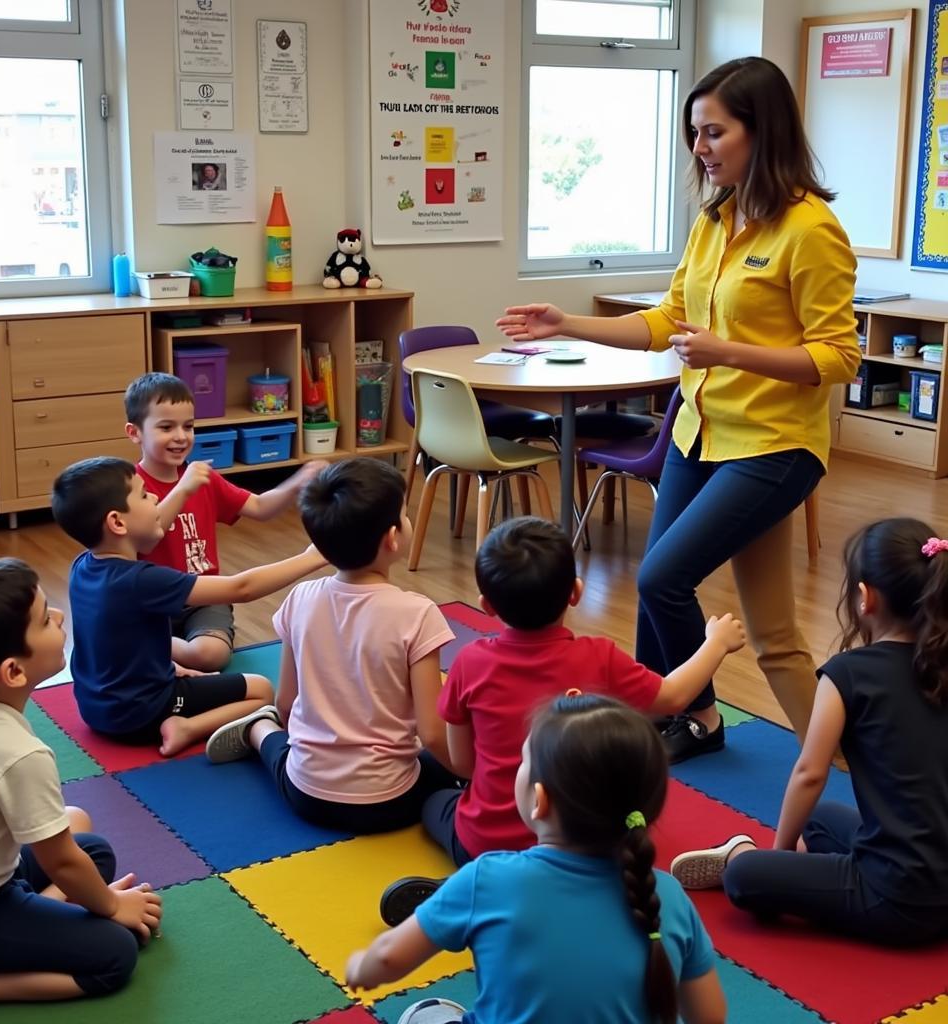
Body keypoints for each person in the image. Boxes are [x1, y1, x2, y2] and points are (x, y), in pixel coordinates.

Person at [497, 56, 860, 763]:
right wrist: (564, 322)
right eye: (694, 132)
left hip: (773, 445)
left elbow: (838, 358)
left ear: (763, 133)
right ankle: (832, 758)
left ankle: (693, 713)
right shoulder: (715, 220)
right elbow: (666, 322)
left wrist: (730, 352)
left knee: (664, 579)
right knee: (776, 635)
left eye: (714, 132)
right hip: (700, 432)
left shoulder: (810, 230)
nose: (700, 147)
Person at [379, 516, 744, 922]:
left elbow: (464, 765)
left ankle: (481, 888)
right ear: (576, 593)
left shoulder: (471, 663)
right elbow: (674, 695)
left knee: (435, 799)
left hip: (487, 841)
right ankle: (542, 887)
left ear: (486, 605)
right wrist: (716, 645)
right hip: (584, 845)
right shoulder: (599, 657)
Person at [346, 694, 727, 1024]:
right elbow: (709, 1016)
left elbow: (390, 957)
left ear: (539, 799)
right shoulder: (669, 896)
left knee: (421, 1014)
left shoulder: (489, 879)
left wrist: (360, 968)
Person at [670, 518, 948, 947]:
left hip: (897, 899)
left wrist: (776, 854)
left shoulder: (847, 675)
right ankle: (804, 869)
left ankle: (752, 858)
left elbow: (810, 774)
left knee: (746, 878)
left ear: (864, 597)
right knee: (823, 818)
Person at [0, 558, 162, 1017]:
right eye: (44, 617)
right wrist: (113, 906)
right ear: (13, 671)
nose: (58, 617)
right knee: (116, 952)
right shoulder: (16, 752)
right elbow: (61, 862)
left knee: (93, 849)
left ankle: (30, 916)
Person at [203, 458, 462, 835]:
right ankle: (260, 733)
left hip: (305, 794)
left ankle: (257, 731)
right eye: (404, 516)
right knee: (455, 774)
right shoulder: (418, 614)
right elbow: (434, 734)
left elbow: (287, 703)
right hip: (389, 802)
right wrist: (468, 773)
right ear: (392, 538)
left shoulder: (300, 598)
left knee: (280, 751)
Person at [50, 456, 326, 757]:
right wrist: (313, 557)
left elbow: (113, 644)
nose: (156, 497)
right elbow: (240, 588)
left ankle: (174, 691)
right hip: (140, 713)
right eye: (144, 495)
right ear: (117, 522)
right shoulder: (140, 580)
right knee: (261, 690)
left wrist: (172, 667)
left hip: (94, 709)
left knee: (203, 674)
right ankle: (186, 728)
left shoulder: (83, 567)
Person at [125, 372, 325, 671]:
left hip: (204, 596)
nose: (181, 436)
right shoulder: (132, 487)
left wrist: (295, 482)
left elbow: (258, 507)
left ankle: (149, 645)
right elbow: (147, 537)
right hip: (151, 601)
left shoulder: (201, 477)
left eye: (188, 426)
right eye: (166, 427)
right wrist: (183, 489)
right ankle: (146, 641)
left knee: (211, 655)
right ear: (135, 433)